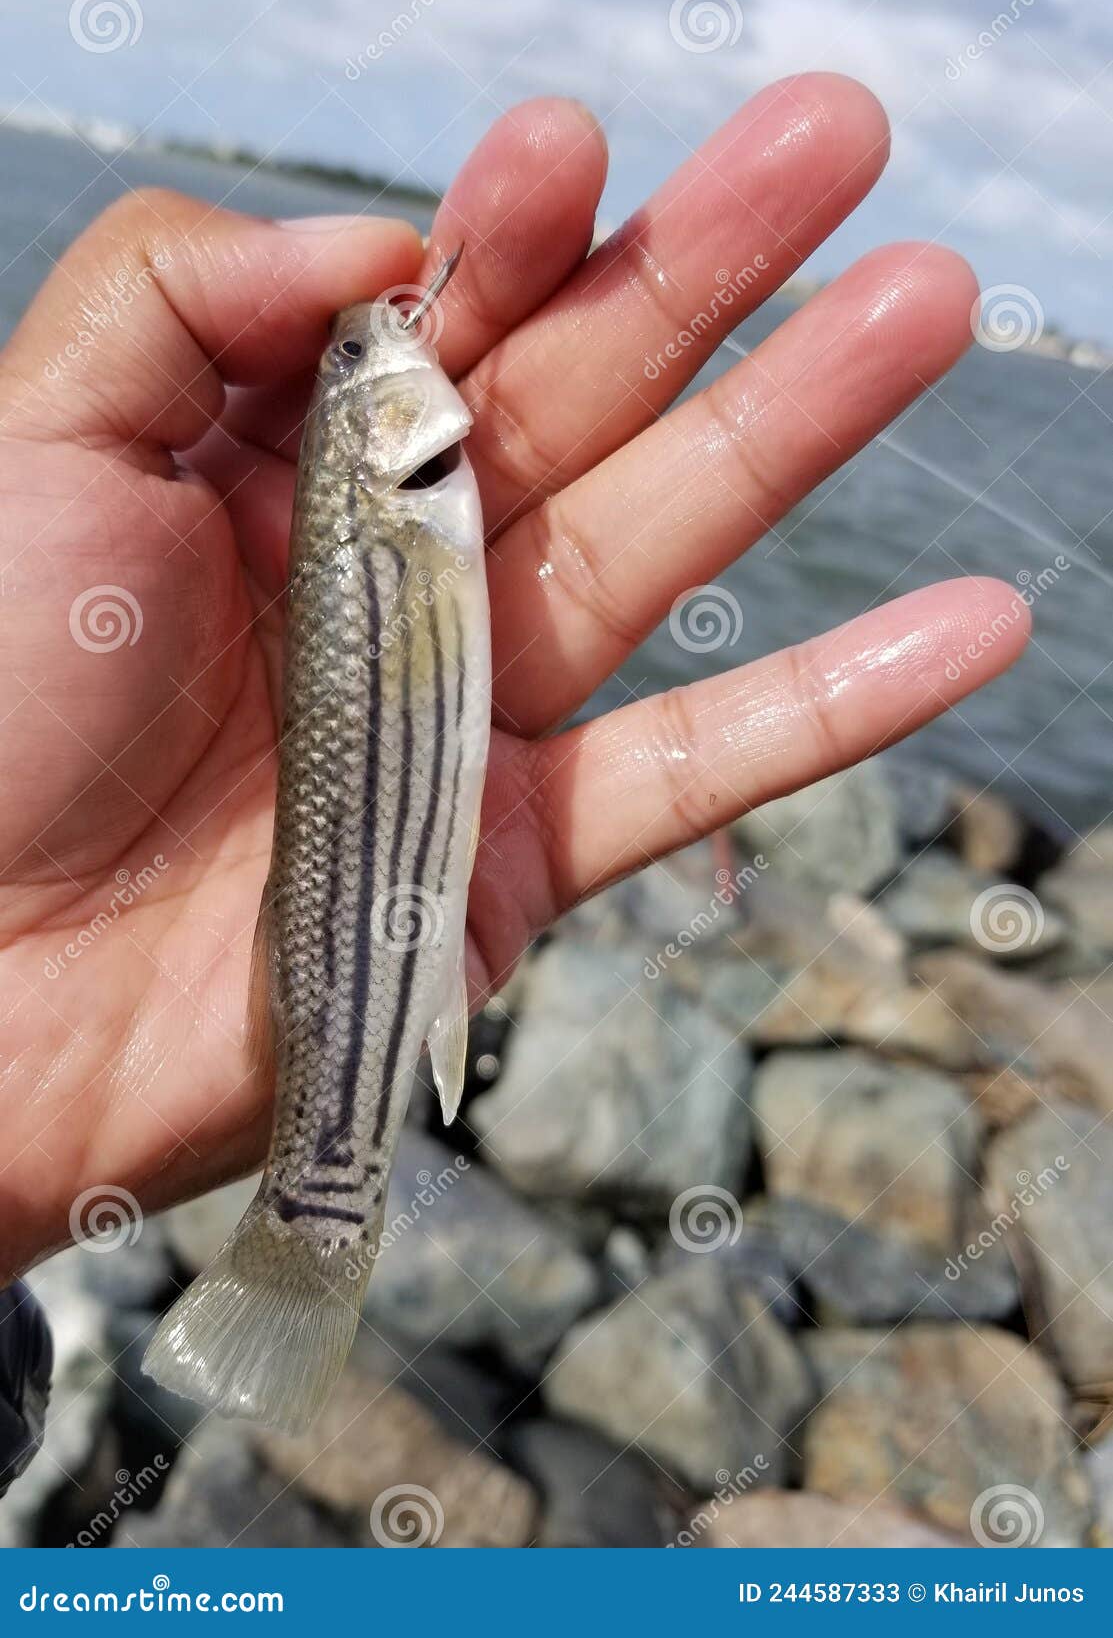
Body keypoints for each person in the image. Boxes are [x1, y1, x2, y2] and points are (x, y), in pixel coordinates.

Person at [0, 78, 1028, 1474]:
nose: (384, 349)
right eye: (365, 366)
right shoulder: (398, 489)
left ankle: (315, 1202)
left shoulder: (410, 495)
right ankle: (319, 1206)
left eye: (364, 361)